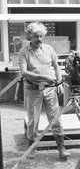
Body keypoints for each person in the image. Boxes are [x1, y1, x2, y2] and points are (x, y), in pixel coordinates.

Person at [18, 22, 70, 160]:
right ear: (30, 37)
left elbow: (56, 66)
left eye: (41, 36)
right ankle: (32, 148)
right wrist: (43, 77)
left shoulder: (49, 49)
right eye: (36, 36)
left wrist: (59, 81)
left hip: (50, 90)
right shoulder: (24, 52)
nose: (39, 39)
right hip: (33, 90)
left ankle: (61, 148)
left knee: (55, 119)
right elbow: (24, 72)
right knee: (33, 121)